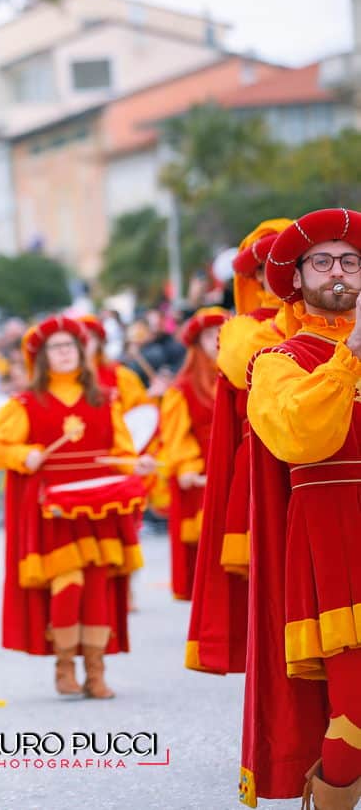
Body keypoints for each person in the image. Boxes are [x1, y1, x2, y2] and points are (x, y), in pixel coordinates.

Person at [243, 208, 361, 808]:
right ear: (298, 278)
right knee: (358, 706)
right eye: (323, 262)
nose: (338, 271)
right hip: (335, 538)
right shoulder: (278, 361)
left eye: (349, 260)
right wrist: (352, 353)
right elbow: (299, 437)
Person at [0, 316, 153, 699]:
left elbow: (120, 453)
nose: (63, 353)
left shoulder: (104, 399)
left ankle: (96, 671)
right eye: (55, 347)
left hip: (97, 507)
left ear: (81, 352)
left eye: (69, 346)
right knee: (67, 585)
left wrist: (135, 464)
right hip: (53, 510)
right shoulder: (25, 403)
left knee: (96, 588)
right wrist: (23, 454)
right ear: (42, 357)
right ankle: (64, 665)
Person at [184, 219, 291, 676]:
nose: (278, 273)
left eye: (289, 261)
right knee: (278, 586)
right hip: (266, 464)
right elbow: (257, 364)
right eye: (266, 267)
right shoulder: (243, 330)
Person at [157, 308, 226, 601]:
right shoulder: (182, 389)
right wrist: (188, 466)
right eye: (210, 336)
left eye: (222, 334)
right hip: (200, 478)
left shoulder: (242, 374)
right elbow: (176, 437)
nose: (217, 341)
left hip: (236, 472)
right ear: (197, 343)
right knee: (207, 557)